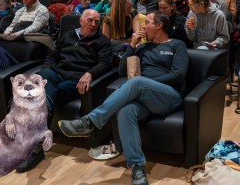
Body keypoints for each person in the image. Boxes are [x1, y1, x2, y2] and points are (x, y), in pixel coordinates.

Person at [58, 11, 189, 185]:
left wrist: (145, 83)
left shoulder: (176, 45)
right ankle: (137, 167)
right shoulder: (143, 47)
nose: (143, 26)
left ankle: (89, 122)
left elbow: (179, 75)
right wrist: (132, 46)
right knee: (125, 112)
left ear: (159, 25)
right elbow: (121, 72)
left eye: (148, 22)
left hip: (169, 96)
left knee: (137, 83)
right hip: (144, 98)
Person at [15, 9, 112, 173]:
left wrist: (89, 74)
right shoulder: (68, 35)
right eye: (90, 20)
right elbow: (53, 55)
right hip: (56, 73)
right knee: (42, 77)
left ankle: (35, 145)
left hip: (75, 79)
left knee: (46, 92)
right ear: (81, 20)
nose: (94, 24)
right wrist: (47, 68)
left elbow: (105, 63)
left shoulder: (102, 41)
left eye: (97, 21)